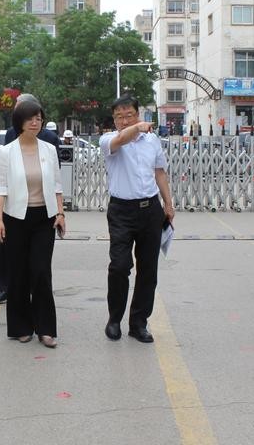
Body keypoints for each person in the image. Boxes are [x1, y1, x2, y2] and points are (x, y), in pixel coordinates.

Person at [100, 94, 175, 344]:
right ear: (114, 119)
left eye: (129, 115)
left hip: (150, 210)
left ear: (137, 114)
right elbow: (122, 138)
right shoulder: (108, 139)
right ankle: (114, 319)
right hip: (121, 211)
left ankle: (138, 323)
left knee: (148, 270)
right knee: (120, 266)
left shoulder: (152, 140)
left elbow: (159, 172)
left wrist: (168, 204)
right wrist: (135, 128)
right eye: (119, 116)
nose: (123, 120)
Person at [0, 99, 65, 348]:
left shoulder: (49, 149)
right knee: (19, 273)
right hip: (15, 218)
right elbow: (0, 187)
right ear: (20, 122)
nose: (36, 122)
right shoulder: (7, 152)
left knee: (41, 272)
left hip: (44, 219)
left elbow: (56, 184)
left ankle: (46, 328)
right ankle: (21, 326)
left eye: (39, 117)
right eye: (30, 118)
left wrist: (61, 213)